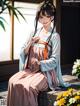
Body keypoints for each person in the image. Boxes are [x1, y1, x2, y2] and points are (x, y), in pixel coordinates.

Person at [7, 0, 70, 106]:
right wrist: (30, 43)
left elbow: (54, 60)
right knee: (12, 81)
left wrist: (40, 64)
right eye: (41, 17)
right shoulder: (34, 32)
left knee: (29, 87)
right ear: (38, 18)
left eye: (47, 16)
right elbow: (23, 52)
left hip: (46, 74)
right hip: (30, 70)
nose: (44, 19)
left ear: (52, 17)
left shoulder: (55, 37)